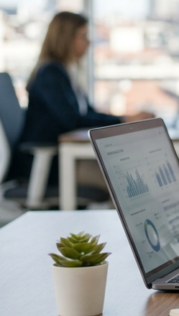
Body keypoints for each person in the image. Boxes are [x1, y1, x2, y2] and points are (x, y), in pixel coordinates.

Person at [10, 11, 153, 189]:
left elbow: (88, 112)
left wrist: (126, 118)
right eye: (83, 36)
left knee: (131, 175)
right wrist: (124, 120)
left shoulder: (67, 72)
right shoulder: (51, 74)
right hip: (49, 165)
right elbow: (73, 120)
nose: (88, 42)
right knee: (127, 184)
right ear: (65, 39)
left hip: (63, 159)